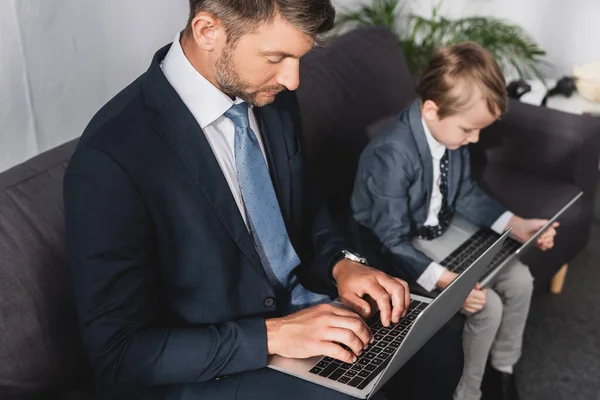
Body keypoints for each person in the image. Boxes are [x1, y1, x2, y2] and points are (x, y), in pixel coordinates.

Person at [63, 1, 464, 399]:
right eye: (276, 57)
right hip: (210, 368)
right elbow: (119, 353)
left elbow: (305, 211)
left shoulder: (271, 98)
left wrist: (341, 265)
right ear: (208, 31)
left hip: (302, 312)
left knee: (438, 350)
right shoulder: (111, 159)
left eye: (298, 58)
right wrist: (273, 335)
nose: (292, 79)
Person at [350, 42, 559, 400]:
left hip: (438, 228)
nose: (474, 139)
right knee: (488, 307)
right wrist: (448, 282)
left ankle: (502, 371)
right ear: (431, 110)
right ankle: (468, 393)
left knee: (521, 279)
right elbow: (391, 240)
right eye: (468, 130)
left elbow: (463, 192)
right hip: (395, 245)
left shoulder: (450, 135)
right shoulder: (392, 155)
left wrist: (515, 222)